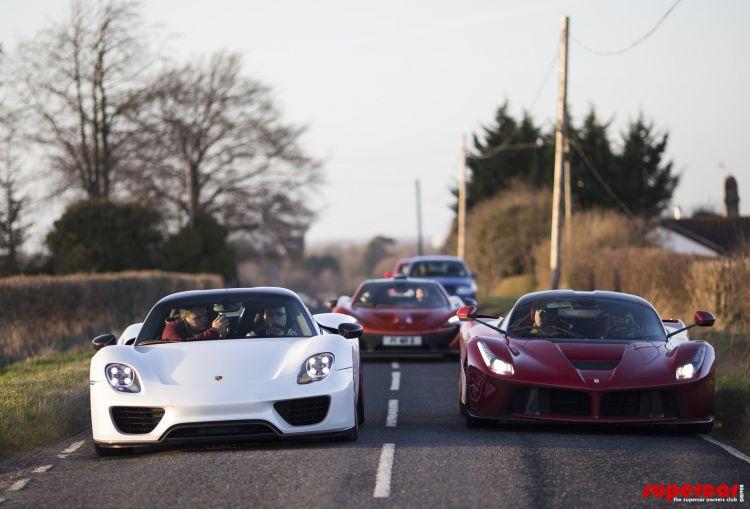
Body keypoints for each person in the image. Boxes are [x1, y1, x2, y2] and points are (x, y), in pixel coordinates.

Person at [162, 306, 229, 341]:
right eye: (197, 317)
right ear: (184, 318)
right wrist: (214, 331)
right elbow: (182, 345)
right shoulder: (171, 328)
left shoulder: (211, 323)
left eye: (205, 315)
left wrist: (222, 337)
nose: (204, 320)